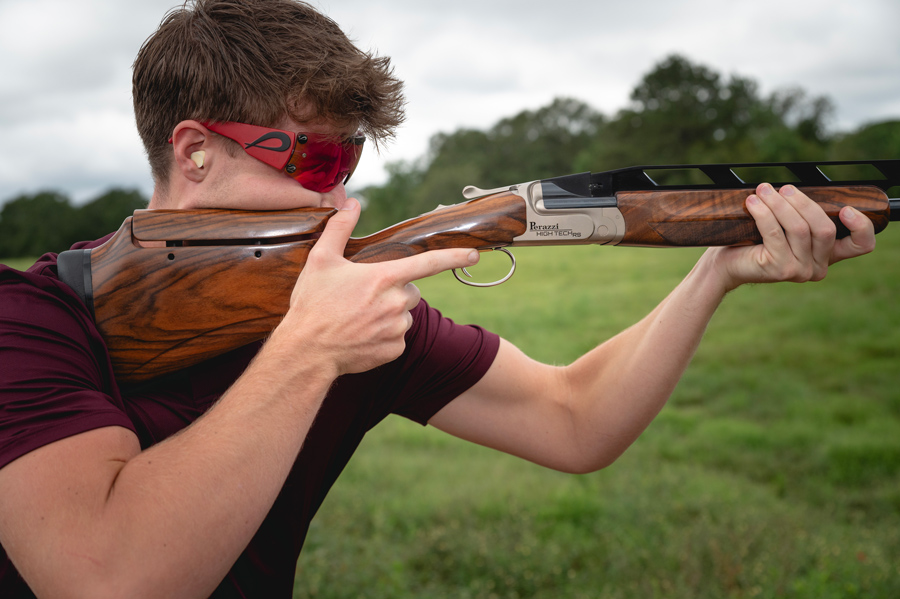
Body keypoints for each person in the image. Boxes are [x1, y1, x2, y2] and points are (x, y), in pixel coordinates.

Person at [0, 1, 877, 597]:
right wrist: (310, 350)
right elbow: (105, 579)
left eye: (348, 161)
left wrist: (716, 269)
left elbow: (575, 420)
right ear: (195, 151)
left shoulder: (354, 310)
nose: (336, 194)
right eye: (315, 160)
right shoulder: (32, 319)